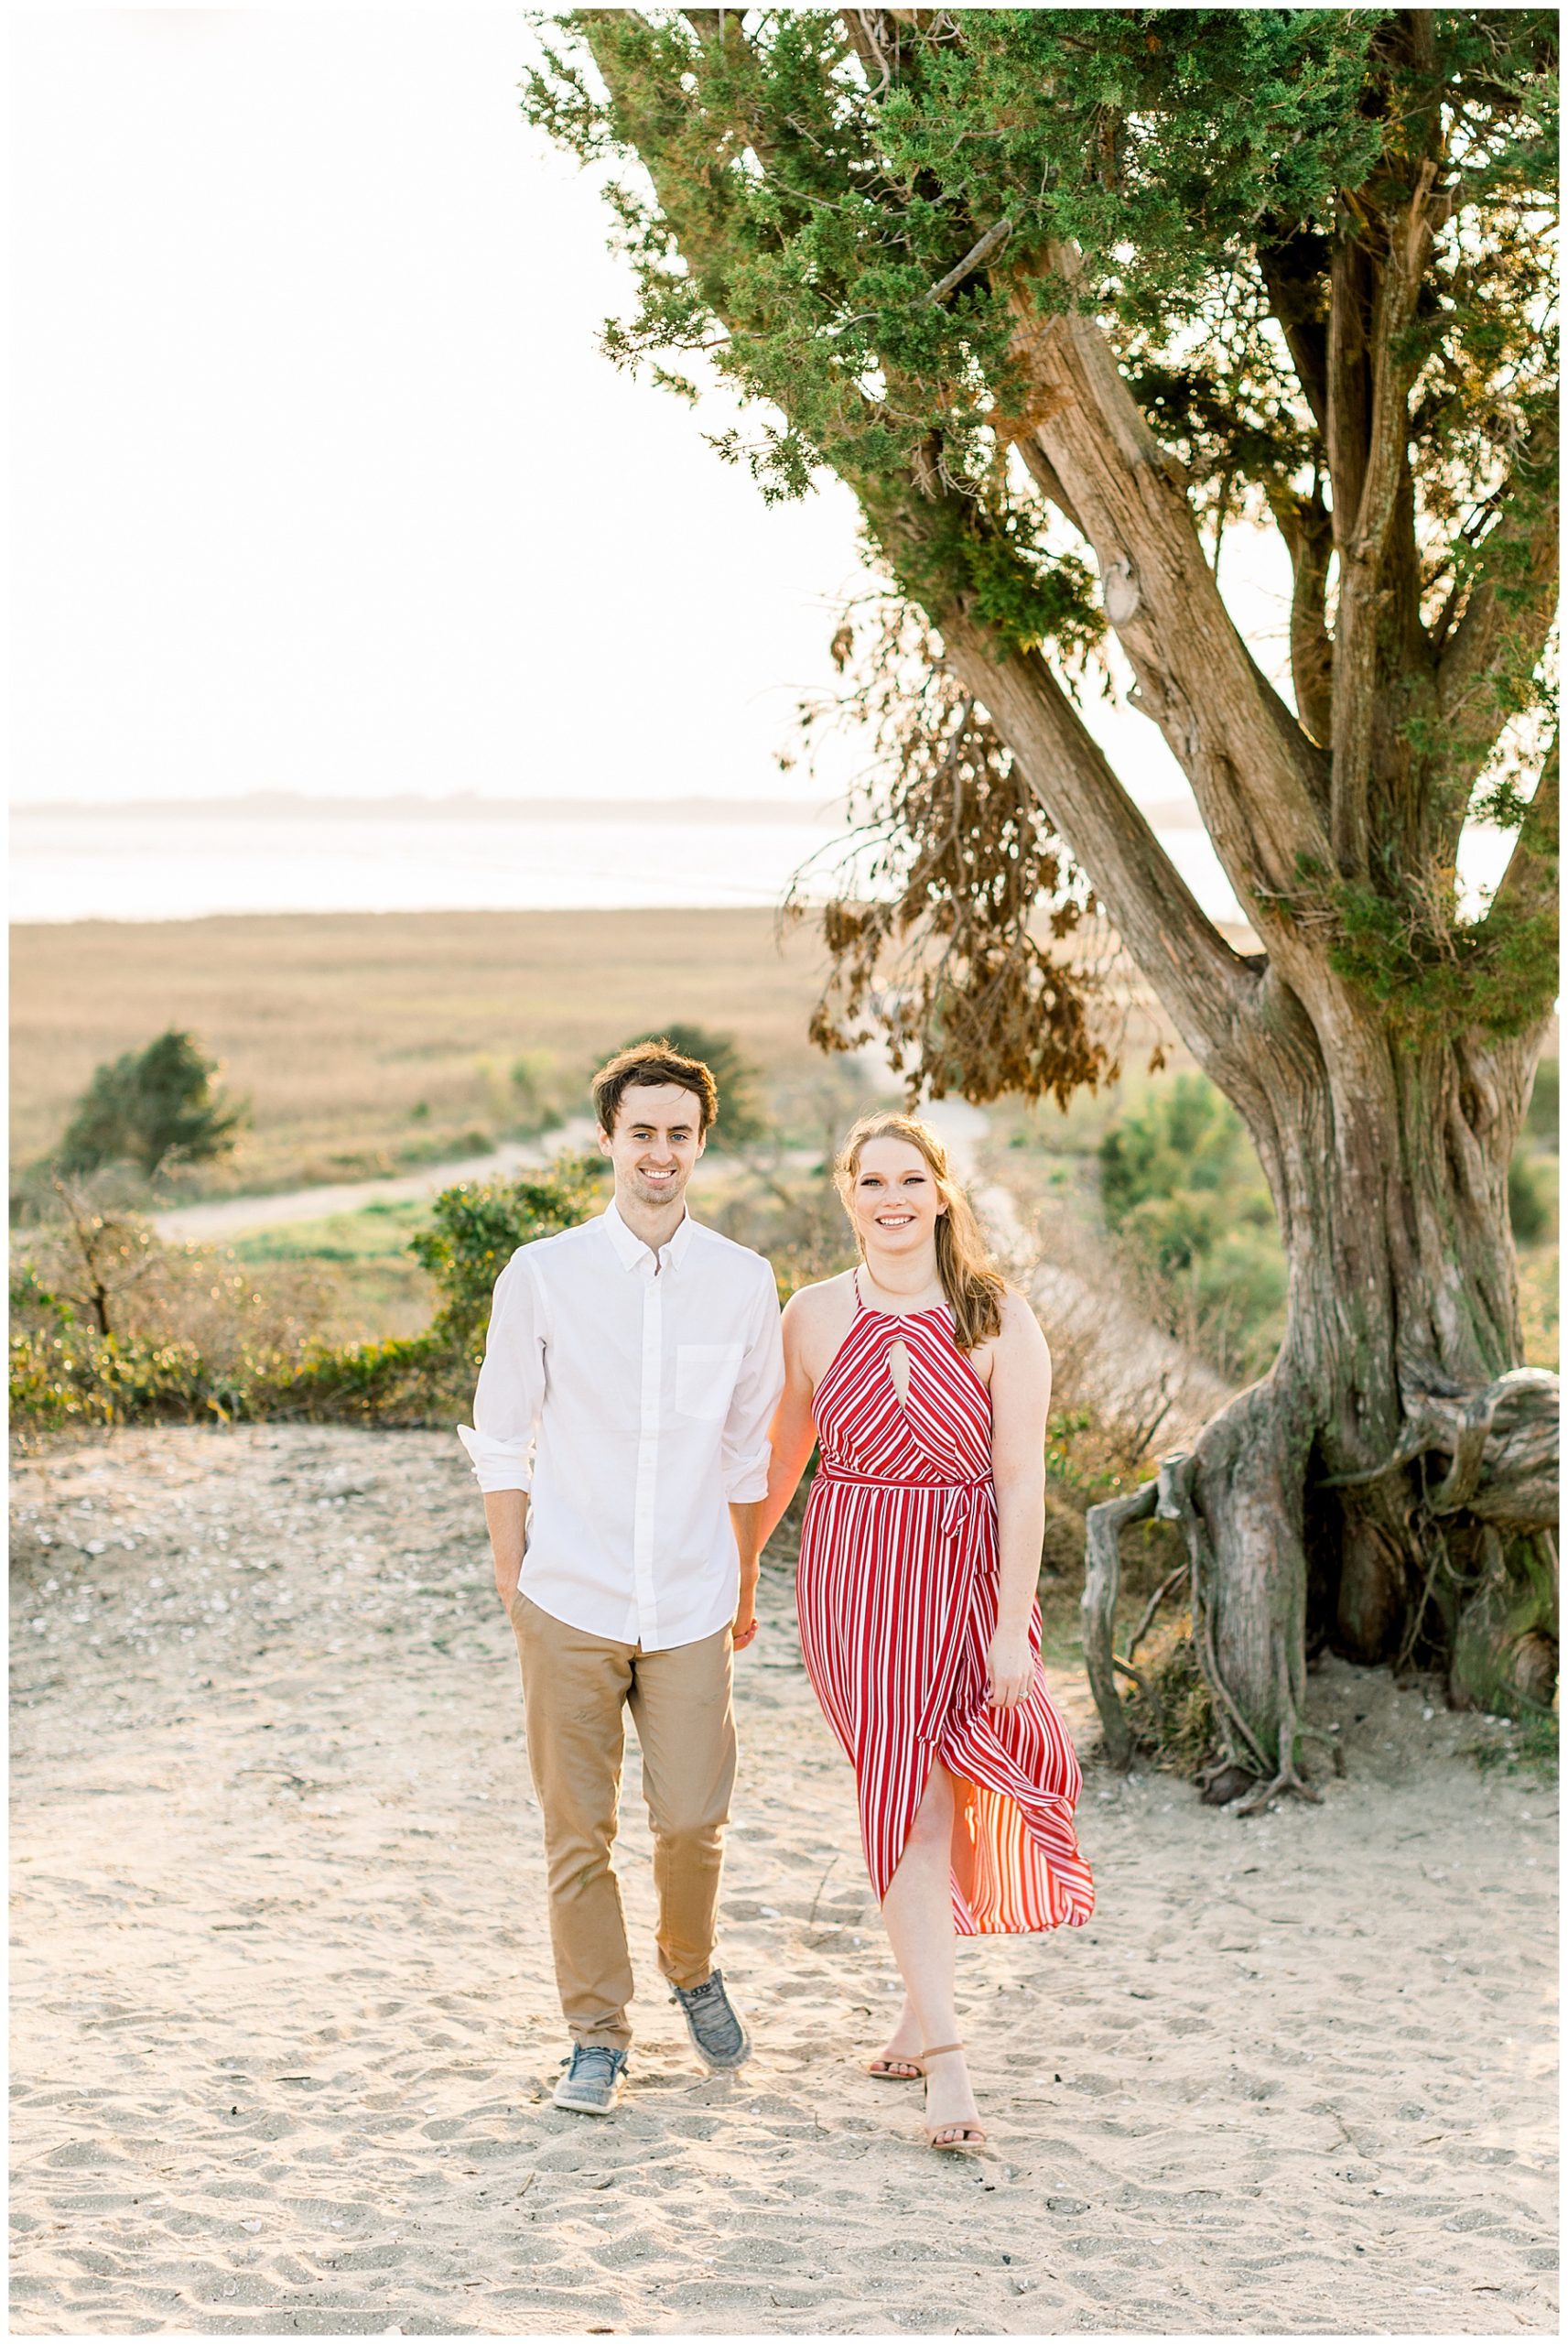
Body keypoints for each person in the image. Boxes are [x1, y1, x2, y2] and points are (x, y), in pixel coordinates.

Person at [459, 1040, 784, 2117]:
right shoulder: (543, 1273)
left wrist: (743, 1581)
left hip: (692, 1600)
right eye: (641, 1132)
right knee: (577, 1832)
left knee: (691, 1819)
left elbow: (745, 1455)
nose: (660, 1152)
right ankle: (596, 2034)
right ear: (607, 1138)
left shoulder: (742, 1281)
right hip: (570, 1597)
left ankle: (690, 1963)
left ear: (701, 1144)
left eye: (678, 1134)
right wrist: (516, 1577)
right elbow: (502, 1436)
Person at [758, 1110, 1094, 2152]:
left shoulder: (997, 1316)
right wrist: (734, 1578)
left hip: (965, 1577)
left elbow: (1021, 1483)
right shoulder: (812, 1314)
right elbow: (782, 1462)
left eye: (911, 1180)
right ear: (848, 1195)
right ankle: (947, 2057)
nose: (892, 1199)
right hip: (852, 1579)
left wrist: (1010, 1627)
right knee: (903, 1797)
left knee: (942, 1799)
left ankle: (917, 2010)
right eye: (873, 1181)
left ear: (942, 1193)